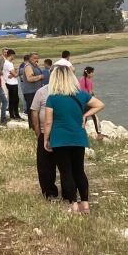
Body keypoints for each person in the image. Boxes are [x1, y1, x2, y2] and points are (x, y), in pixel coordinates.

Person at [42, 65, 92, 214]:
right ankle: (85, 204)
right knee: (79, 171)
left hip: (60, 139)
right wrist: (84, 116)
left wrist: (46, 139)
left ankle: (73, 205)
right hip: (78, 137)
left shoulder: (52, 98)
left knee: (66, 172)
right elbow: (99, 104)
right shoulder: (81, 95)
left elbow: (48, 122)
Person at [78, 65, 103, 138]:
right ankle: (99, 133)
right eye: (92, 72)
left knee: (83, 116)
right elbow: (90, 92)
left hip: (81, 101)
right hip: (88, 101)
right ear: (89, 73)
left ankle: (80, 131)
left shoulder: (80, 80)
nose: (93, 74)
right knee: (94, 116)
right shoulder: (89, 81)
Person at [20, 52, 44, 116]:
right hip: (30, 92)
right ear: (30, 59)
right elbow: (29, 78)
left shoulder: (35, 66)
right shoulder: (28, 66)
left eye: (37, 58)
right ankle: (31, 125)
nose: (36, 60)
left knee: (37, 109)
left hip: (36, 91)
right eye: (35, 58)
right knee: (31, 110)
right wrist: (40, 77)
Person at [4, 50, 22, 120]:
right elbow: (15, 75)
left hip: (11, 82)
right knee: (13, 100)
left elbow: (12, 74)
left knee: (14, 99)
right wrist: (18, 72)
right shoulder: (9, 64)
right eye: (13, 56)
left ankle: (14, 113)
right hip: (12, 83)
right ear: (11, 55)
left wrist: (13, 74)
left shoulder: (7, 63)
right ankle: (13, 114)